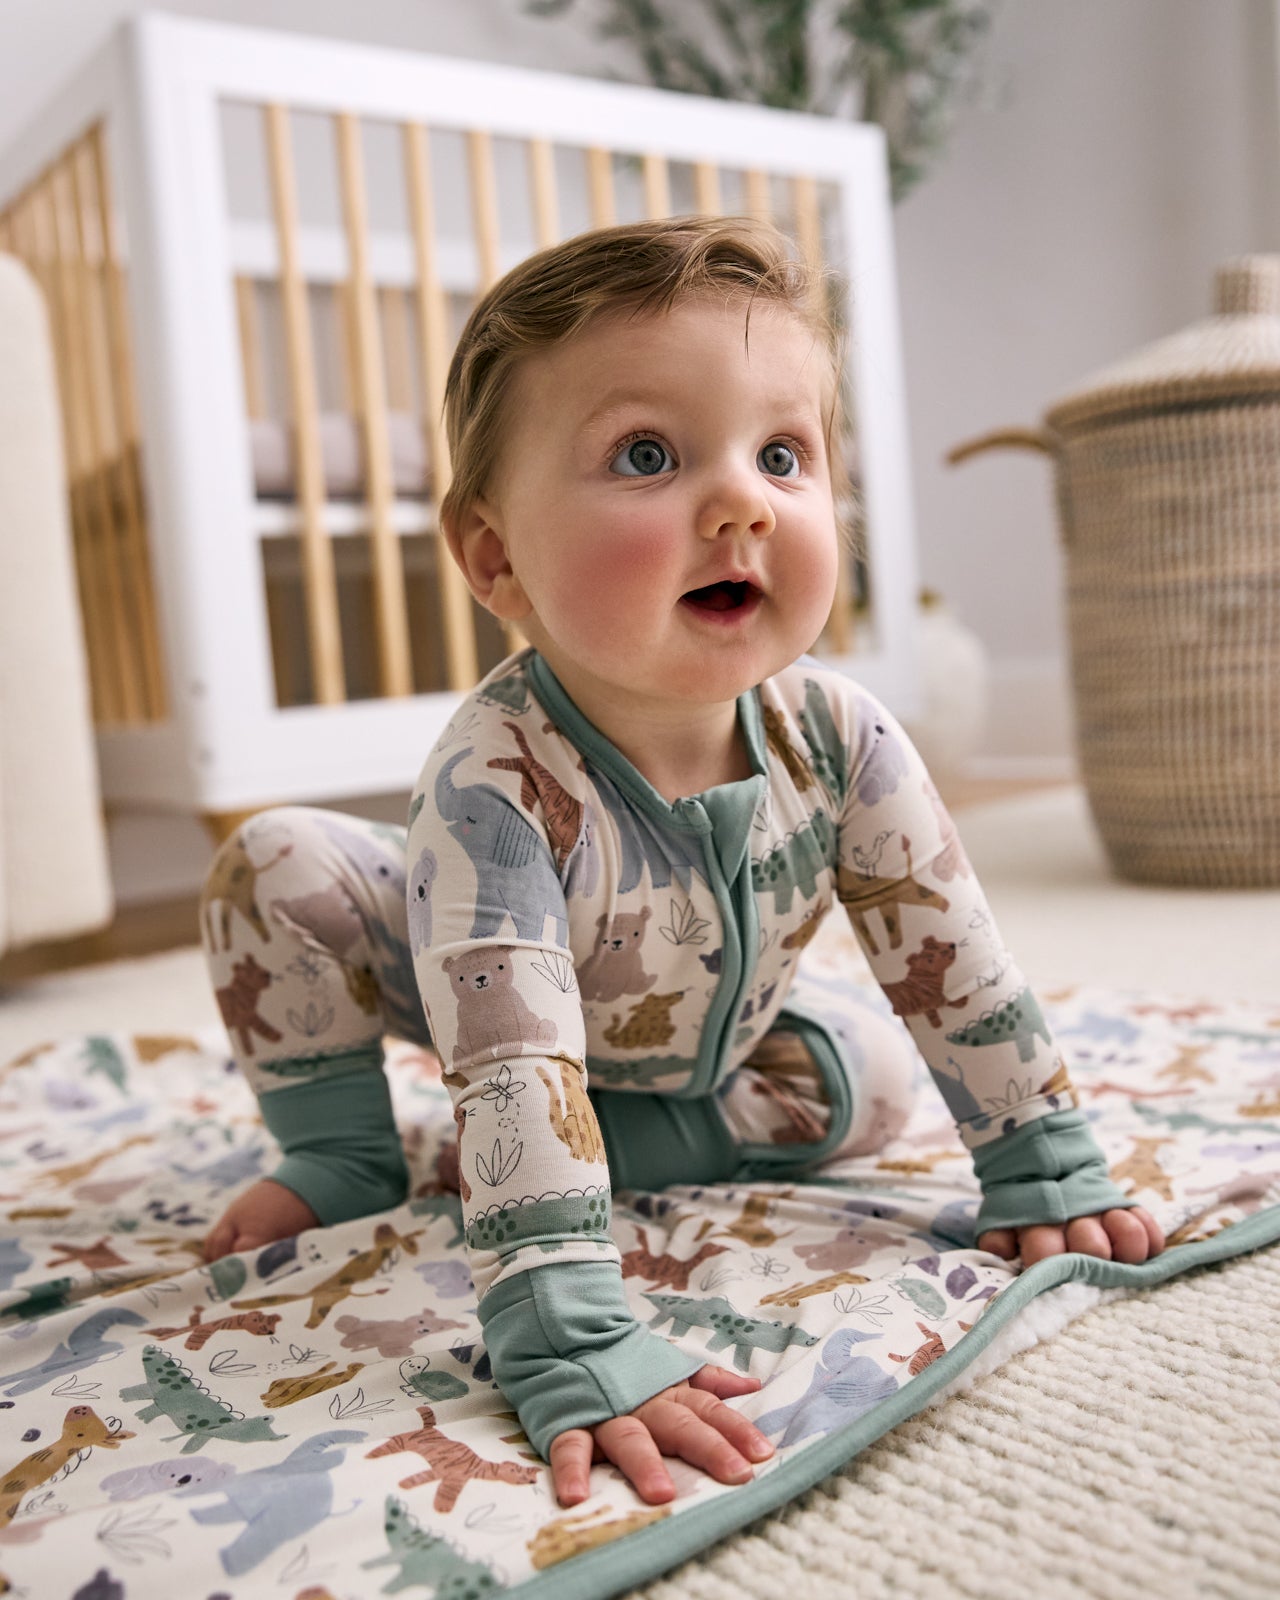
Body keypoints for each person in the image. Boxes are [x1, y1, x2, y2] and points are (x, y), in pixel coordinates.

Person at [200, 216, 1164, 1510]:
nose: (741, 500)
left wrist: (1041, 1158)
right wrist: (565, 1324)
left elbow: (955, 966)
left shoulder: (844, 735)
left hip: (709, 1036)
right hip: (487, 1007)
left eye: (783, 455)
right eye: (648, 455)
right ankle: (350, 1159)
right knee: (272, 860)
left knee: (871, 1085)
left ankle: (633, 1134)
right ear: (496, 558)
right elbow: (513, 1064)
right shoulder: (496, 780)